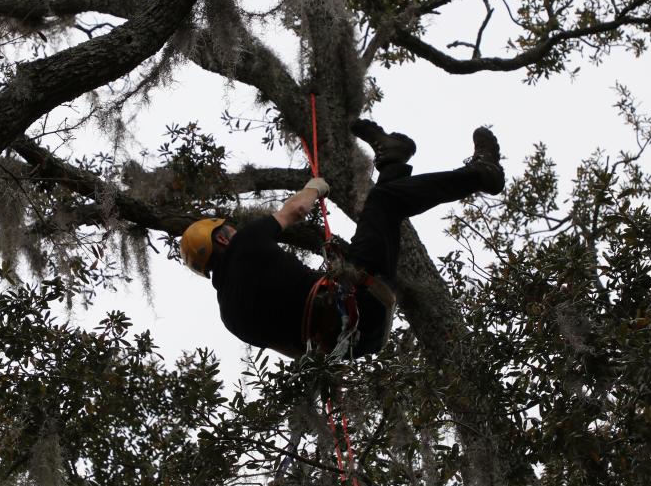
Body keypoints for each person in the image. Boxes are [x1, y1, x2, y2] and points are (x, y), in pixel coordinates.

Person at [179, 120, 505, 359]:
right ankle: (480, 174)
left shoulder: (230, 317)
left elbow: (291, 349)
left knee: (382, 213)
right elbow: (293, 211)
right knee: (382, 204)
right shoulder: (245, 244)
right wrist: (314, 187)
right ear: (221, 239)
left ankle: (391, 160)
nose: (233, 230)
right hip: (357, 299)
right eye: (228, 229)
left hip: (357, 341)